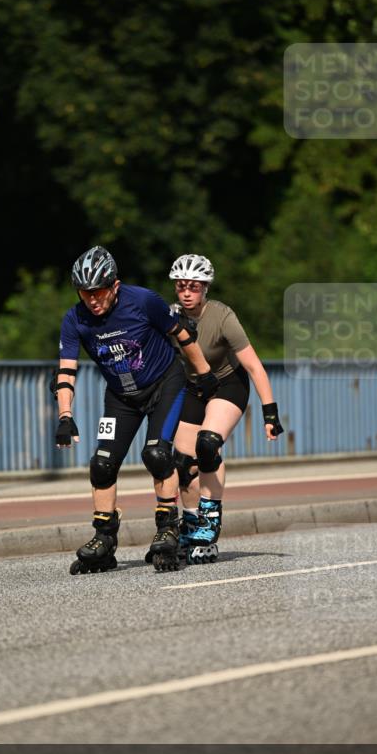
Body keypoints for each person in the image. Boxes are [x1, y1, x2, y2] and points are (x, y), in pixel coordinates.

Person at [54, 245, 219, 574]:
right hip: (121, 396)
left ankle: (167, 528)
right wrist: (65, 415)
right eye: (85, 293)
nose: (92, 300)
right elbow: (65, 370)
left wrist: (204, 374)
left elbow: (183, 334)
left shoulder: (143, 301)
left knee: (157, 453)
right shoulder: (75, 319)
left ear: (114, 286)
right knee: (101, 463)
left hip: (164, 384)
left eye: (98, 292)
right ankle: (104, 539)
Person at [168, 254, 284, 564]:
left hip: (227, 385)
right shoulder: (170, 317)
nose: (187, 293)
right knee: (182, 463)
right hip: (193, 388)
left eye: (194, 286)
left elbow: (254, 366)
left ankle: (210, 519)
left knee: (208, 443)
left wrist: (269, 413)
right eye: (181, 287)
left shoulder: (222, 316)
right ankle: (191, 525)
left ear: (205, 288)